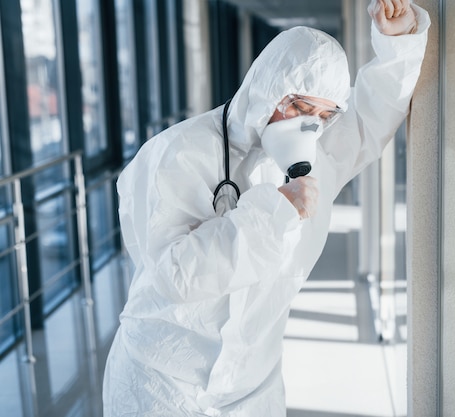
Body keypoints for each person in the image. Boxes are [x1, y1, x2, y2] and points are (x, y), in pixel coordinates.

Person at [103, 1, 430, 415]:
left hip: (251, 386)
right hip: (161, 381)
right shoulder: (181, 152)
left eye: (324, 114)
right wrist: (277, 211)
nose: (309, 124)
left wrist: (396, 41)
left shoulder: (316, 157)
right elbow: (175, 274)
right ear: (269, 86)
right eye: (298, 106)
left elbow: (369, 120)